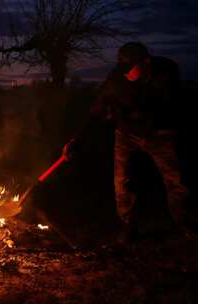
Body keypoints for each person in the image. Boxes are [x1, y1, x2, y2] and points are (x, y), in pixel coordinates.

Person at [64, 42, 192, 243]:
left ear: (145, 62)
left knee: (177, 182)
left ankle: (187, 224)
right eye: (123, 69)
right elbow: (95, 111)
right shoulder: (115, 80)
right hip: (127, 135)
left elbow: (164, 105)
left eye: (130, 68)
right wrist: (76, 140)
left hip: (161, 134)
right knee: (122, 182)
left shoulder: (166, 71)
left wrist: (125, 111)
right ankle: (128, 225)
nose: (126, 74)